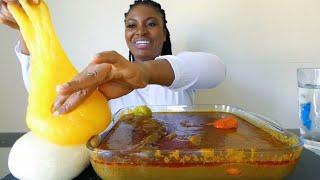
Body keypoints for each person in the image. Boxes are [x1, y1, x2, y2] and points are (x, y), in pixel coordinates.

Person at [0, 0, 226, 115]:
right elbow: (50, 96)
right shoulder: (103, 78)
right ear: (125, 34)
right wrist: (26, 27)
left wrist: (144, 72)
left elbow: (216, 69)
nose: (141, 32)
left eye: (151, 24)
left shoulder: (180, 74)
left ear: (164, 33)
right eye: (131, 25)